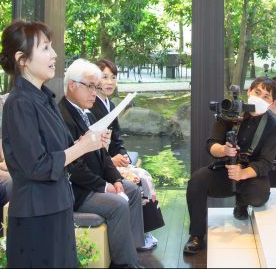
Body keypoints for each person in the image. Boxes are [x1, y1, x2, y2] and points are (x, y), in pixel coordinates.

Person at [0, 20, 108, 268]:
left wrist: (89, 143)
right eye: (45, 48)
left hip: (57, 206)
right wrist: (81, 147)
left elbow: (62, 151)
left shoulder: (45, 99)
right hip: (36, 216)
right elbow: (37, 165)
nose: (54, 54)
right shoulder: (19, 103)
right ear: (22, 59)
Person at [59, 58, 146, 268]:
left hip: (95, 181)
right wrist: (105, 186)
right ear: (72, 85)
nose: (94, 93)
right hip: (77, 190)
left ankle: (132, 253)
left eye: (95, 87)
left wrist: (115, 179)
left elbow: (102, 154)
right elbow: (72, 167)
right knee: (118, 204)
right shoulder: (62, 117)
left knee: (132, 190)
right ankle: (125, 264)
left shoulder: (86, 113)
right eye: (90, 86)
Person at [183, 76, 276, 255]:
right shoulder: (230, 112)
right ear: (249, 92)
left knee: (258, 197)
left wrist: (243, 173)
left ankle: (242, 203)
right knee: (196, 181)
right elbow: (211, 144)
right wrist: (223, 150)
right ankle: (196, 235)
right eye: (257, 92)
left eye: (266, 96)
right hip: (225, 168)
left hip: (251, 173)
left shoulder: (273, 126)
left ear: (272, 103)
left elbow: (266, 163)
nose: (260, 98)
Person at [93, 58, 159, 249]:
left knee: (144, 176)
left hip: (112, 159)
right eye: (104, 77)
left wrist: (123, 156)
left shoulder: (110, 105)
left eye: (113, 77)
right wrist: (112, 160)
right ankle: (139, 235)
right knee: (140, 180)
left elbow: (117, 139)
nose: (110, 82)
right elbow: (93, 145)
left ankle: (143, 230)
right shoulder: (91, 106)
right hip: (102, 164)